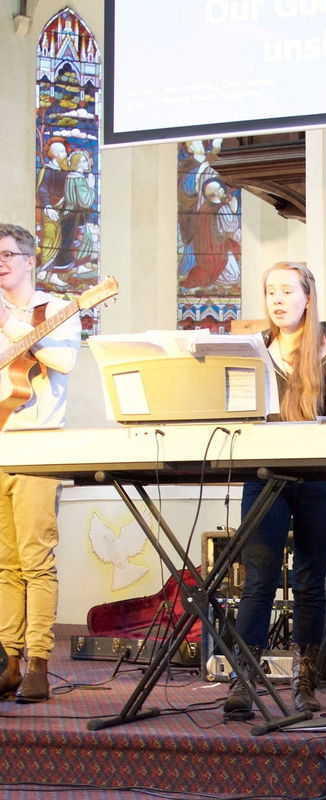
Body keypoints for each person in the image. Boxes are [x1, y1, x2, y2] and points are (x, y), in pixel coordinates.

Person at [223, 261, 326, 719]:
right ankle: (244, 677)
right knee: (257, 578)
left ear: (308, 296)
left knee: (309, 580)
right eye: (270, 292)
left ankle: (305, 680)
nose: (278, 300)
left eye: (287, 290)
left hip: (320, 478)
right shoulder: (253, 350)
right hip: (265, 476)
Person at [0, 223, 81, 703]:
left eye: (9, 254)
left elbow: (66, 364)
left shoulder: (56, 309)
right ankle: (8, 659)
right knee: (4, 563)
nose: (2, 263)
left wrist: (18, 328)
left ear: (31, 260)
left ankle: (39, 662)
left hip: (37, 444)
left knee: (36, 559)